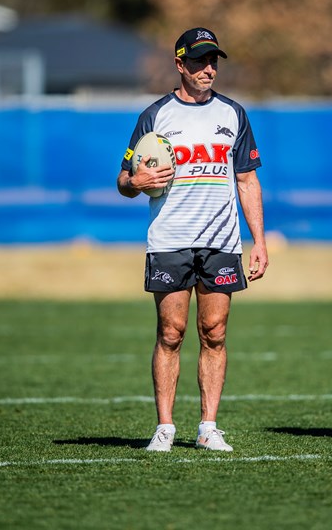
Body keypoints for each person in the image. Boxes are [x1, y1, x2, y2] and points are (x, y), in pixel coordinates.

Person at [117, 27, 268, 452]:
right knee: (171, 332)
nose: (208, 68)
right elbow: (124, 178)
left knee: (214, 332)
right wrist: (137, 179)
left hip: (221, 242)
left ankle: (208, 427)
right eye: (199, 61)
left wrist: (259, 240)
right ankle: (165, 427)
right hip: (170, 240)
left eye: (213, 60)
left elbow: (247, 179)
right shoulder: (155, 115)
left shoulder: (234, 114)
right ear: (180, 65)